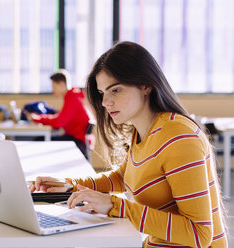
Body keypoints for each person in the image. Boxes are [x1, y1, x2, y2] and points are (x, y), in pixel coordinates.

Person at [30, 42, 227, 247]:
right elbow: (124, 177)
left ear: (145, 85)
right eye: (102, 92)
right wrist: (67, 186)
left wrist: (115, 206)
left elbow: (200, 234)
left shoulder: (179, 137)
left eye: (115, 90)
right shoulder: (144, 130)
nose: (106, 101)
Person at [25, 70, 91, 158]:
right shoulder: (75, 94)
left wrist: (36, 118)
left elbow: (59, 122)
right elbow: (61, 118)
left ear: (61, 84)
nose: (52, 90)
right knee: (41, 139)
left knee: (39, 140)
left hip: (76, 141)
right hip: (78, 138)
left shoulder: (72, 98)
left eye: (54, 86)